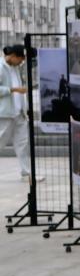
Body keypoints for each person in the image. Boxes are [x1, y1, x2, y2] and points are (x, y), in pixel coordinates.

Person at [0, 44, 33, 180]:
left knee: (23, 144)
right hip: (5, 114)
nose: (21, 62)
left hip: (19, 113)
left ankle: (27, 174)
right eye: (20, 59)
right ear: (13, 56)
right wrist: (13, 90)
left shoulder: (15, 68)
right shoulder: (1, 67)